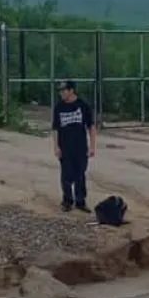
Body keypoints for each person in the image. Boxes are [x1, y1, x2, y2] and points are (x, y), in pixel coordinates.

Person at [51, 79, 95, 212]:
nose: (62, 94)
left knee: (80, 174)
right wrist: (56, 146)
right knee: (66, 175)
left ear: (71, 91)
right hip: (65, 146)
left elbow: (91, 127)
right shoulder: (59, 107)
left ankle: (80, 201)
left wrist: (92, 146)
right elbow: (55, 128)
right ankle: (67, 200)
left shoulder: (83, 105)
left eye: (64, 91)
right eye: (60, 91)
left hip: (80, 146)